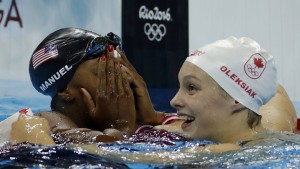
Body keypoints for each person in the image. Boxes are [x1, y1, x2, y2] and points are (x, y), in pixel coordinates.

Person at [9, 30, 296, 146]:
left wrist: (141, 122)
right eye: (107, 72)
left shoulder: (182, 127)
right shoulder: (48, 126)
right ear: (68, 92)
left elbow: (268, 94)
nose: (123, 77)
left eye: (122, 65)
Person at [10, 28, 166, 144]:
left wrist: (153, 118)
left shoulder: (139, 124)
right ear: (65, 91)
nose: (123, 79)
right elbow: (104, 153)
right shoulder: (43, 123)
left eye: (120, 69)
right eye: (106, 73)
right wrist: (122, 128)